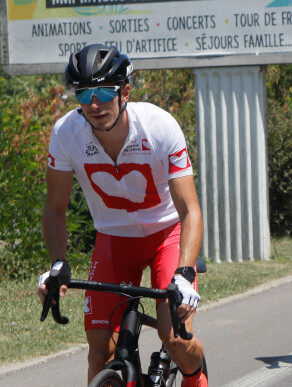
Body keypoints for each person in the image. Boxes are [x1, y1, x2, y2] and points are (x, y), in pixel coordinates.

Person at [37, 44, 207, 386]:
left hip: (166, 235)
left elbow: (190, 209)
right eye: (84, 94)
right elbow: (55, 208)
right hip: (113, 240)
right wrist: (57, 263)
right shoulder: (66, 133)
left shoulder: (159, 126)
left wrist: (185, 273)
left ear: (125, 91)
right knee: (99, 353)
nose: (94, 104)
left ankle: (195, 377)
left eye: (103, 91)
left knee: (174, 338)